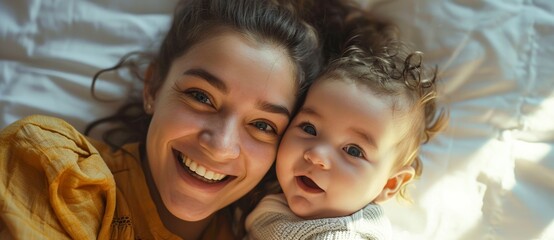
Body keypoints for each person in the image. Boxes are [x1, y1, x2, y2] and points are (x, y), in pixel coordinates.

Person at [0, 0, 324, 239]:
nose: (221, 146)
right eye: (201, 97)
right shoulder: (54, 168)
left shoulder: (262, 233)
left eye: (263, 125)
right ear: (153, 87)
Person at [244, 18, 449, 240]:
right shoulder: (273, 196)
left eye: (353, 150)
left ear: (389, 184)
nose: (316, 155)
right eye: (309, 129)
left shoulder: (342, 235)